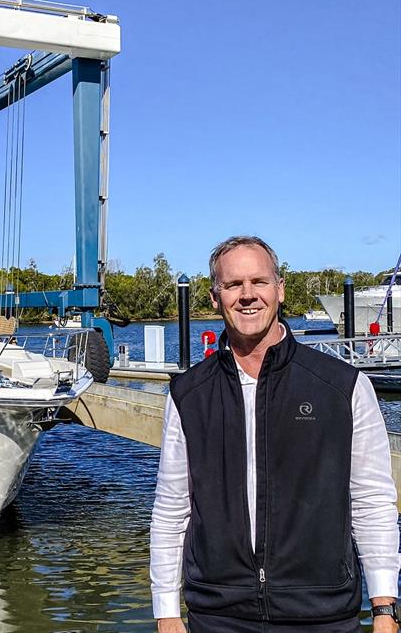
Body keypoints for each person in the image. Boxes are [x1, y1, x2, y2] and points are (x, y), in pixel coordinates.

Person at [150, 236, 400, 632]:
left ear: (279, 290)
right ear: (215, 297)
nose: (247, 295)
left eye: (259, 282)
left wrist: (384, 608)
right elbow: (171, 510)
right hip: (218, 616)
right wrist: (166, 611)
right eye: (233, 285)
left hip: (322, 613)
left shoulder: (342, 386)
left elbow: (372, 501)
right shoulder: (188, 395)